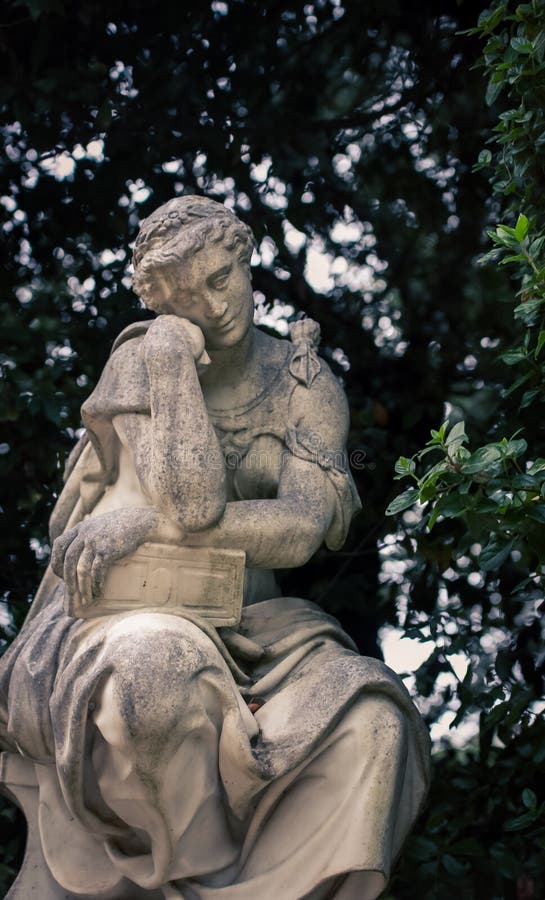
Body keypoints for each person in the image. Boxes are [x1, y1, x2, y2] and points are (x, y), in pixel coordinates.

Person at [0, 196, 430, 900]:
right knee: (154, 669)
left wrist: (150, 524)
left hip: (258, 628)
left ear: (245, 256)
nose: (213, 305)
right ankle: (182, 875)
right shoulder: (145, 362)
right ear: (160, 304)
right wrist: (170, 356)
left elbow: (297, 528)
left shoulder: (304, 384)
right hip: (127, 608)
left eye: (221, 278)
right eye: (184, 296)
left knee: (374, 723)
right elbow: (196, 498)